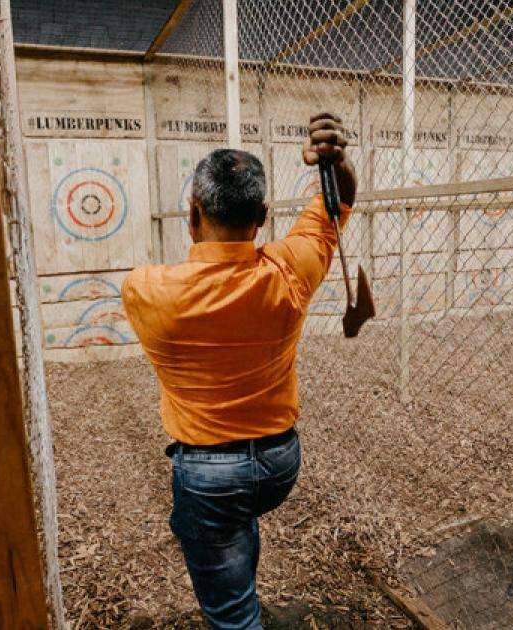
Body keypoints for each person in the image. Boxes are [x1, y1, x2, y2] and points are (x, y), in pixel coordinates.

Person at [121, 113, 357, 629]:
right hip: (278, 464)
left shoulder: (145, 288)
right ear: (264, 215)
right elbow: (339, 203)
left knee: (230, 615)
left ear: (193, 211)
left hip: (207, 476)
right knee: (237, 523)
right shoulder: (290, 269)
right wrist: (335, 163)